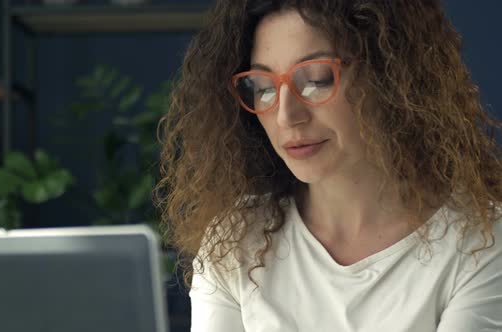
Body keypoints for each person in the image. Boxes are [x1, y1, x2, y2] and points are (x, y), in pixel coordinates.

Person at [155, 0, 502, 331]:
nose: (286, 115)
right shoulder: (238, 239)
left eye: (317, 79)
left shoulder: (483, 243)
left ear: (392, 79)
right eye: (263, 88)